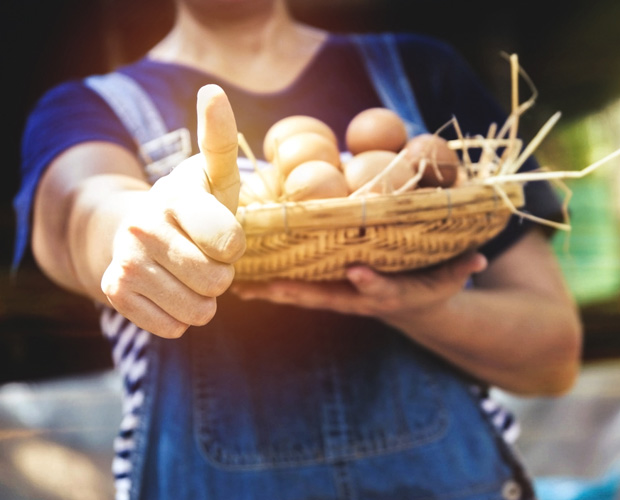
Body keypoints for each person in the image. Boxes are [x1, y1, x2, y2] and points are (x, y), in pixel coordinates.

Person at [14, 0, 582, 498]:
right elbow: (78, 210)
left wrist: (418, 305)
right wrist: (131, 228)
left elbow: (553, 358)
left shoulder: (421, 72)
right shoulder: (89, 109)